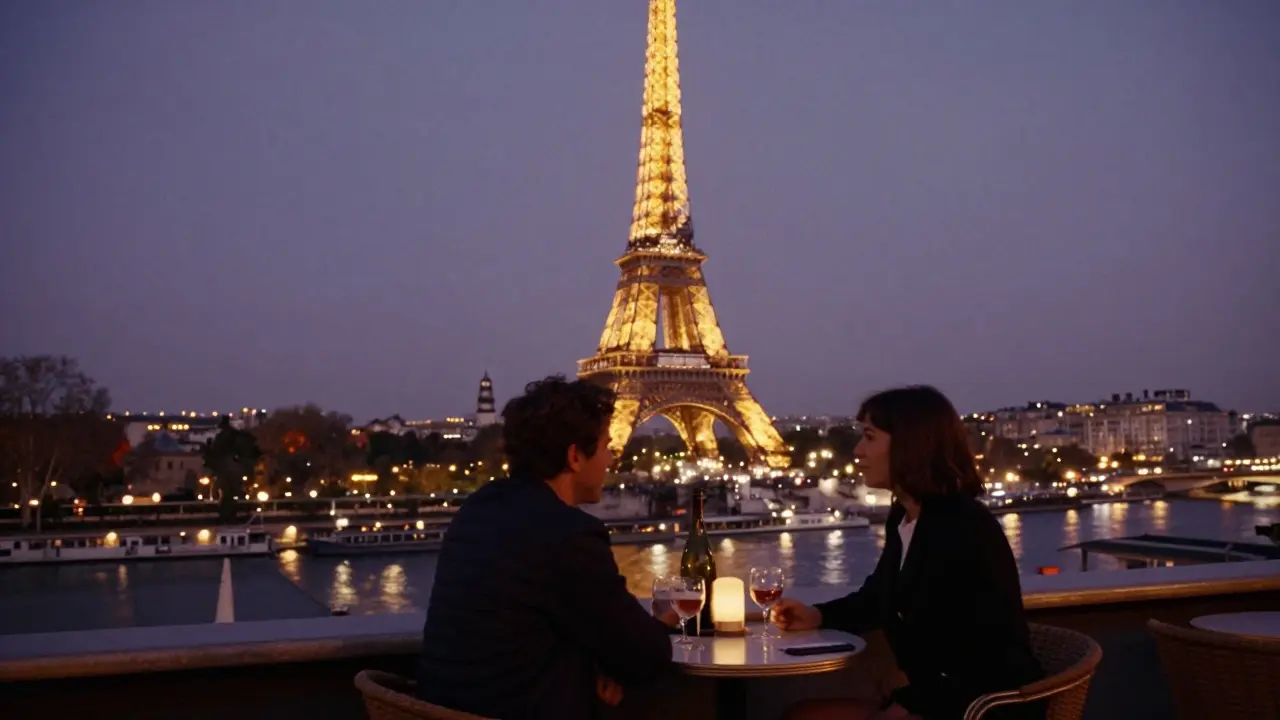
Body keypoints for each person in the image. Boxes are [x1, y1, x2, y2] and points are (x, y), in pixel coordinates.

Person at [775, 386, 1044, 720]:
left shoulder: (959, 526)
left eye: (870, 437)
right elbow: (879, 597)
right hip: (939, 697)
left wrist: (915, 698)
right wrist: (818, 615)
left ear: (909, 445)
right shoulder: (906, 517)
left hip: (980, 707)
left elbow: (976, 649)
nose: (858, 450)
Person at [417, 376, 674, 719]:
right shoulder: (567, 534)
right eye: (606, 446)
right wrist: (665, 621)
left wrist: (596, 661)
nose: (611, 459)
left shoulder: (478, 509)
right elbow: (647, 656)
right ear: (575, 456)